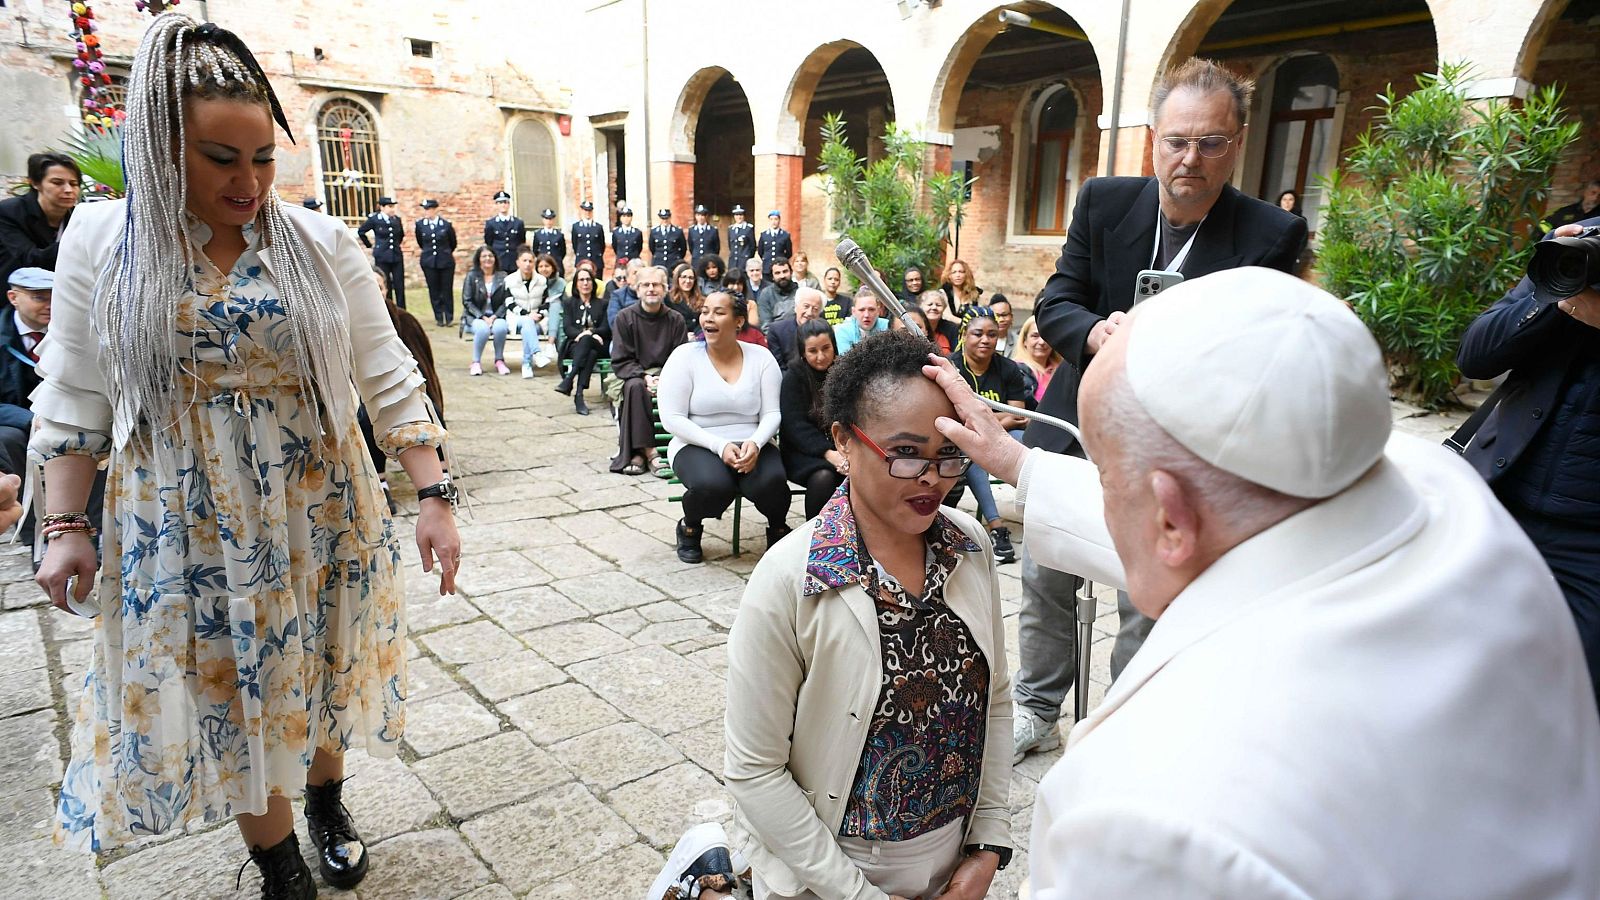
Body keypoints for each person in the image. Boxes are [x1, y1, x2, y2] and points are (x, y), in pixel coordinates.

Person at [925, 266, 1600, 898]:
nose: (1106, 499)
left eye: (1106, 478)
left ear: (1170, 517)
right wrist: (1020, 462)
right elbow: (1233, 531)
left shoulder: (1154, 815)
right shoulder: (1440, 488)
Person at [32, 15, 461, 897]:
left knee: (319, 660)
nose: (249, 181)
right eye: (220, 158)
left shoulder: (317, 242)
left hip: (319, 496)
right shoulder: (105, 241)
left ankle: (327, 799)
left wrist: (434, 494)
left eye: (263, 157)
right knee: (232, 685)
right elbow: (75, 392)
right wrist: (66, 522)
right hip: (183, 515)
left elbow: (387, 370)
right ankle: (279, 863)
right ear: (159, 146)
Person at [1014, 57, 1307, 765]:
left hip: (1179, 438)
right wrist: (1095, 335)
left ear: (1236, 143)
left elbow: (1262, 352)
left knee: (1148, 589)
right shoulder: (1104, 201)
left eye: (1211, 142)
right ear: (1153, 137)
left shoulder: (1271, 234)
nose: (1191, 158)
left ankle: (1125, 717)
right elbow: (1056, 302)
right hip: (1082, 413)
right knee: (1045, 572)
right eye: (1177, 140)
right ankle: (1036, 703)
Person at [710, 329, 1013, 900]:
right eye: (903, 454)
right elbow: (754, 771)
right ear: (845, 442)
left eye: (948, 453)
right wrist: (855, 893)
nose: (931, 478)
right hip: (828, 873)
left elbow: (994, 699)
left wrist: (988, 847)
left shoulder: (969, 548)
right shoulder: (790, 579)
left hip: (955, 868)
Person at [1457, 217, 1600, 714]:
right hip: (1500, 500)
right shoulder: (1579, 245)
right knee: (1453, 668)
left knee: (1565, 705)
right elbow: (1475, 356)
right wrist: (1549, 293)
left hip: (1589, 544)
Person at [658, 292, 788, 563]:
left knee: (772, 482)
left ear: (739, 321)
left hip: (753, 441)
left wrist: (756, 442)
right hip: (697, 442)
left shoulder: (761, 358)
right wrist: (719, 446)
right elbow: (672, 417)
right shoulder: (684, 358)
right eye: (705, 311)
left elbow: (773, 413)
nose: (708, 318)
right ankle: (690, 527)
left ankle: (777, 529)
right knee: (713, 485)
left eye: (719, 312)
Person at [946, 309, 1027, 563]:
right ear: (964, 335)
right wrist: (996, 418)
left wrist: (984, 419)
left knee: (1025, 442)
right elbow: (956, 418)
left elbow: (1020, 415)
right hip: (963, 438)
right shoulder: (951, 366)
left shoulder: (1008, 368)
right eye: (978, 333)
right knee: (973, 449)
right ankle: (997, 526)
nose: (985, 340)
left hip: (1004, 432)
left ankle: (1040, 513)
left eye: (992, 334)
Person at [610, 266, 687, 476]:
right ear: (637, 289)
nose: (651, 289)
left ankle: (640, 454)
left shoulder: (676, 320)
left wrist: (663, 378)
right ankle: (650, 452)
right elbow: (621, 358)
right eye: (646, 284)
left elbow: (680, 358)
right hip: (635, 374)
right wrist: (645, 377)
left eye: (656, 285)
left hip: (667, 375)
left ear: (665, 289)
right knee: (634, 387)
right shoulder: (624, 318)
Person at [779, 319, 847, 519]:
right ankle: (815, 534)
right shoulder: (794, 378)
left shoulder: (845, 373)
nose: (821, 356)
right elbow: (794, 426)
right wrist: (829, 453)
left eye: (826, 348)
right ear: (802, 352)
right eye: (813, 351)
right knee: (824, 477)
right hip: (803, 453)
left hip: (842, 447)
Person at [0, 152, 80, 288]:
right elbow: (30, 259)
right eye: (57, 182)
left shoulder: (78, 215)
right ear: (35, 183)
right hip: (16, 296)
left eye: (73, 184)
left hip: (63, 293)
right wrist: (80, 243)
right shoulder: (9, 212)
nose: (68, 190)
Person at [554, 267, 610, 416]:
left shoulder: (603, 304)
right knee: (589, 353)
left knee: (589, 343)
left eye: (588, 280)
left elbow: (606, 328)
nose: (585, 283)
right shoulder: (569, 303)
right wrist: (582, 335)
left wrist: (591, 332)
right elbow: (567, 327)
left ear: (593, 283)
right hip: (576, 345)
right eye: (581, 280)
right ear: (576, 284)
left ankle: (569, 379)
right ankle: (579, 395)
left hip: (599, 344)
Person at [499, 248, 552, 378]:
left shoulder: (542, 281)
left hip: (537, 318)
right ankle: (536, 354)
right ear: (518, 263)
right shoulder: (510, 280)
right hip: (516, 318)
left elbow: (547, 301)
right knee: (528, 322)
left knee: (528, 327)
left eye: (530, 261)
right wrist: (527, 314)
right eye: (524, 261)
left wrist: (540, 314)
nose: (527, 264)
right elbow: (509, 303)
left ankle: (527, 364)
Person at [462, 244, 511, 375]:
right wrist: (482, 317)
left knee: (501, 328)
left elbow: (507, 301)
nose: (487, 259)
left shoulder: (503, 276)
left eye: (490, 256)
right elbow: (467, 301)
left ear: (495, 258)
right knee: (482, 329)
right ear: (479, 259)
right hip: (476, 316)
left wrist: (495, 317)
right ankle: (476, 362)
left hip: (497, 315)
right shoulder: (472, 276)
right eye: (484, 256)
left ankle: (499, 360)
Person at [414, 198, 457, 327]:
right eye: (425, 209)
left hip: (445, 261)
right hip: (429, 262)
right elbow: (421, 242)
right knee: (434, 290)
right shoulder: (420, 225)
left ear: (435, 210)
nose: (426, 212)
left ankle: (449, 316)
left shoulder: (446, 225)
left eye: (429, 209)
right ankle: (439, 316)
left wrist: (444, 253)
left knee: (446, 289)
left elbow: (453, 243)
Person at [357, 196, 406, 308]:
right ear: (382, 207)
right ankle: (388, 307)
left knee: (399, 284)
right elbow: (361, 231)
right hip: (382, 256)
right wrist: (370, 245)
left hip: (396, 255)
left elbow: (400, 235)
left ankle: (401, 309)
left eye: (393, 207)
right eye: (390, 207)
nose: (392, 209)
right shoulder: (375, 219)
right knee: (385, 283)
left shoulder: (396, 219)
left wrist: (396, 245)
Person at [766, 287, 824, 372]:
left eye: (815, 309)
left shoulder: (823, 333)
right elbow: (777, 368)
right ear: (796, 307)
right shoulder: (776, 331)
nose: (809, 313)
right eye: (806, 306)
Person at [1012, 315, 1061, 404]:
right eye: (1035, 336)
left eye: (1046, 336)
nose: (1042, 342)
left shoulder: (1063, 369)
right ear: (1024, 340)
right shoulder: (1014, 370)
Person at [833, 286, 889, 354]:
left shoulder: (888, 326)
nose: (866, 315)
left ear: (878, 311)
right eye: (861, 310)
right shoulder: (843, 330)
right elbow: (846, 361)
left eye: (871, 309)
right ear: (853, 312)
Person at [483, 190, 526, 273]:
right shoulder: (491, 223)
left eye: (505, 202)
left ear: (509, 204)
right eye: (500, 203)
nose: (503, 205)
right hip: (499, 260)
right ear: (496, 205)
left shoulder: (518, 223)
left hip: (514, 260)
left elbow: (521, 241)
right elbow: (489, 242)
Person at [756, 256, 798, 331]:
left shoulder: (800, 292)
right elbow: (766, 325)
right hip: (776, 337)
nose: (782, 276)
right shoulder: (766, 294)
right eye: (777, 273)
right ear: (772, 276)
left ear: (791, 272)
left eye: (785, 271)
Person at [917, 290, 961, 355]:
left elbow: (957, 353)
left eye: (938, 305)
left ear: (944, 308)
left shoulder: (952, 328)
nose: (934, 307)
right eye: (930, 304)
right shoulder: (916, 327)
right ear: (921, 307)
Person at [668, 262, 704, 335]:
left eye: (691, 278)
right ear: (677, 279)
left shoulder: (702, 299)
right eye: (684, 277)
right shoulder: (668, 298)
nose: (688, 281)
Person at [606, 256, 642, 328]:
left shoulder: (653, 294)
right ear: (628, 278)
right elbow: (614, 322)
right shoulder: (617, 295)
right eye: (635, 273)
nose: (639, 276)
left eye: (642, 273)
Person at [571, 199, 606, 272]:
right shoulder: (576, 227)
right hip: (582, 260)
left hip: (596, 260)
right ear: (582, 211)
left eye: (589, 211)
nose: (587, 213)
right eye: (585, 210)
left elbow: (601, 245)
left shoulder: (598, 227)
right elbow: (575, 244)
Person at [757, 210, 793, 280]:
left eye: (776, 219)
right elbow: (760, 251)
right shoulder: (764, 235)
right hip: (767, 268)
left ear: (779, 220)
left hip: (780, 268)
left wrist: (782, 260)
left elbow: (789, 252)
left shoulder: (785, 235)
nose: (773, 222)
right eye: (771, 219)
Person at [531, 207, 566, 277]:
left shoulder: (559, 235)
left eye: (550, 219)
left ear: (553, 220)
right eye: (546, 219)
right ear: (543, 220)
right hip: (543, 266)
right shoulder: (538, 234)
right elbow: (535, 251)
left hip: (556, 264)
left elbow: (563, 251)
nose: (548, 221)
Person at [651, 208, 688, 272]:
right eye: (663, 218)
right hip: (659, 262)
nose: (665, 220)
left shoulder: (677, 231)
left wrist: (677, 258)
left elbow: (683, 248)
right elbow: (652, 247)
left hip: (673, 262)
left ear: (670, 218)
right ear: (660, 218)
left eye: (667, 218)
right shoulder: (654, 231)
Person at [727, 204, 757, 273]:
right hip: (733, 262)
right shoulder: (731, 229)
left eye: (741, 215)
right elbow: (730, 245)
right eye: (737, 215)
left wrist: (748, 257)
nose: (739, 217)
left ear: (744, 216)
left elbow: (752, 246)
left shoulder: (748, 228)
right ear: (734, 216)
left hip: (744, 261)